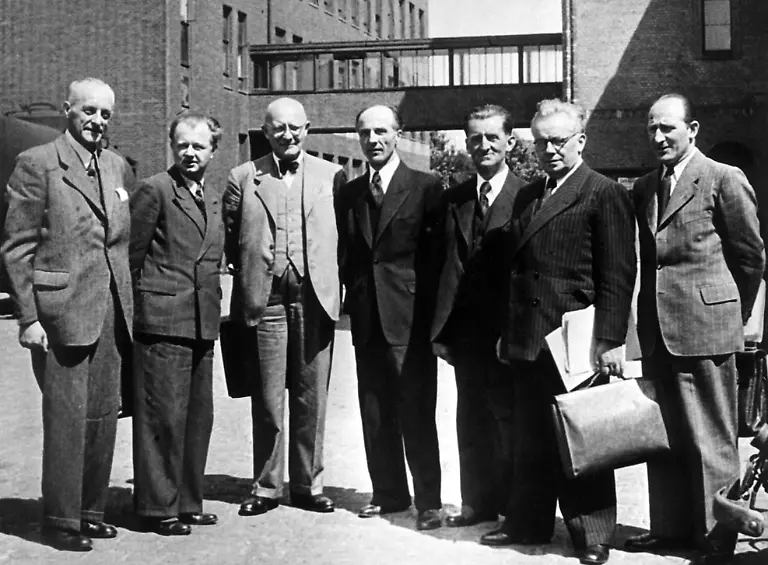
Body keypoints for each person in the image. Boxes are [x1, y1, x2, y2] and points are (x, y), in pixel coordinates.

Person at [490, 99, 636, 565]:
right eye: (542, 142)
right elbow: (515, 270)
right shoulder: (529, 194)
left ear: (581, 141)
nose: (550, 149)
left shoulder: (603, 192)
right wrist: (505, 332)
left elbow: (618, 273)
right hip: (529, 336)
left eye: (559, 141)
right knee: (530, 438)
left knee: (582, 438)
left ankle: (592, 535)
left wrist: (610, 341)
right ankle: (528, 522)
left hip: (575, 339)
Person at [624, 93, 765, 562]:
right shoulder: (646, 186)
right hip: (657, 331)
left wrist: (727, 312)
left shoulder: (724, 178)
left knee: (711, 440)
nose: (659, 136)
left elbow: (750, 257)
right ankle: (669, 528)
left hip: (706, 327)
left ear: (693, 129)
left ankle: (715, 540)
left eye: (668, 127)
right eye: (652, 129)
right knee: (662, 436)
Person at [0, 78, 135, 552]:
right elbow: (18, 248)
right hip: (60, 314)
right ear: (67, 111)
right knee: (67, 419)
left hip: (111, 311)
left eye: (105, 114)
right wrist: (28, 317)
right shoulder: (38, 164)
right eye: (89, 111)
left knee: (102, 417)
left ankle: (90, 511)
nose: (98, 121)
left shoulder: (117, 166)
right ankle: (60, 519)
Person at [223, 97, 346, 517]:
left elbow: (344, 238)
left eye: (295, 127)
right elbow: (230, 237)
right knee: (269, 396)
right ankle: (267, 485)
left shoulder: (333, 176)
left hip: (315, 299)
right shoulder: (244, 176)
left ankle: (309, 485)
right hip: (266, 299)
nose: (288, 135)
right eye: (279, 128)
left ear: (307, 128)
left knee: (312, 396)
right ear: (266, 131)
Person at [336, 104, 444, 531]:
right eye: (365, 133)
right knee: (374, 409)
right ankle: (388, 493)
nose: (373, 140)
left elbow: (436, 259)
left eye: (382, 132)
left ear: (399, 134)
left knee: (416, 409)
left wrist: (433, 321)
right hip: (366, 319)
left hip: (410, 317)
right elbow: (349, 253)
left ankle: (429, 501)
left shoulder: (426, 187)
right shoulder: (350, 192)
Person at [128, 113, 224, 536]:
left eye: (199, 146)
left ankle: (188, 501)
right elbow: (131, 257)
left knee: (197, 417)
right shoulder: (155, 189)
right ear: (172, 146)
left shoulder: (212, 196)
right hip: (163, 322)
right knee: (162, 418)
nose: (190, 152)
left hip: (203, 321)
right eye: (182, 144)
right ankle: (156, 507)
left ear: (212, 152)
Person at [430, 104, 524, 528]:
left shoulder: (527, 195)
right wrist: (442, 331)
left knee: (508, 419)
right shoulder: (455, 198)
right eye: (474, 138)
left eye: (492, 138)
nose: (483, 145)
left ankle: (510, 505)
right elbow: (442, 266)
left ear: (510, 142)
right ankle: (476, 503)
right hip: (466, 335)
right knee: (469, 418)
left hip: (509, 333)